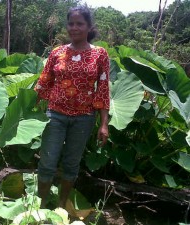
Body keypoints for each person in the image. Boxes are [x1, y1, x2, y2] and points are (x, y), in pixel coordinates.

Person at [34, 6, 110, 209]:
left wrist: (104, 124)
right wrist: (25, 109)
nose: (74, 27)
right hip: (55, 114)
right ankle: (39, 208)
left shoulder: (99, 55)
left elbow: (102, 90)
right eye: (71, 23)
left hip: (84, 117)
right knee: (47, 162)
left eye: (79, 23)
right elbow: (44, 82)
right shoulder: (57, 52)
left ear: (89, 26)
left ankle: (60, 206)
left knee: (71, 164)